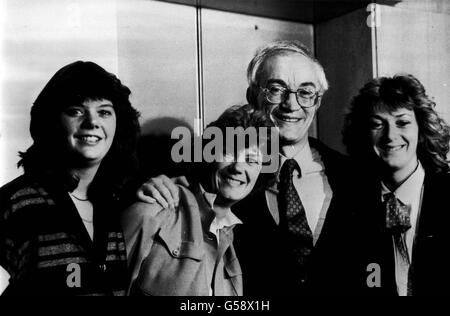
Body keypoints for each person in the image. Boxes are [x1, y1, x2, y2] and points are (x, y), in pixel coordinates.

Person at [137, 40, 358, 295]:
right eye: (277, 89)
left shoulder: (353, 176)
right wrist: (156, 188)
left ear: (317, 102)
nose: (291, 104)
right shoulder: (220, 176)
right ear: (253, 95)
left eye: (306, 93)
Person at [0, 61, 140, 295]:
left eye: (104, 112)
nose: (92, 122)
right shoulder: (15, 202)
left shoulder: (116, 203)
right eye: (76, 111)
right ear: (51, 120)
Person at [121, 105, 276, 296]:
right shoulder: (153, 212)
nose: (238, 167)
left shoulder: (234, 239)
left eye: (252, 160)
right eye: (228, 152)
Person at [342, 74, 450, 296]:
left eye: (402, 122)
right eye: (377, 125)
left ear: (422, 127)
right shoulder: (348, 206)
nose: (390, 136)